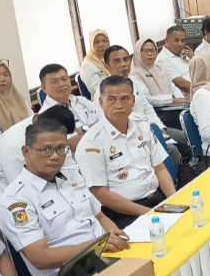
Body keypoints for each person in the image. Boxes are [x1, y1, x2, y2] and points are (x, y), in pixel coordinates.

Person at [0, 120, 129, 276]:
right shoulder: (16, 200)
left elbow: (100, 217)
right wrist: (96, 246)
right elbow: (39, 258)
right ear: (26, 152)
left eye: (61, 148)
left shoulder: (71, 176)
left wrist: (115, 237)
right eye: (46, 150)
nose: (55, 156)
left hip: (107, 257)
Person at [75, 76, 176, 228]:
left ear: (133, 100)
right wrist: (149, 214)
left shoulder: (142, 126)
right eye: (111, 99)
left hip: (158, 200)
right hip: (123, 213)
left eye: (125, 98)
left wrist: (174, 202)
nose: (119, 105)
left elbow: (160, 169)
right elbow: (100, 194)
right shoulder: (91, 143)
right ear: (101, 102)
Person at [105, 45, 192, 169]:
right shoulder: (105, 92)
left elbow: (147, 107)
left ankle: (191, 172)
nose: (123, 64)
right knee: (171, 150)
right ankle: (175, 179)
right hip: (134, 137)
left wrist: (160, 127)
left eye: (126, 59)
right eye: (117, 61)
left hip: (151, 127)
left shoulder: (133, 81)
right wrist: (150, 131)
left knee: (187, 137)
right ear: (107, 66)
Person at [0, 105, 83, 188]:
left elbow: (69, 166)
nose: (55, 156)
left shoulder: (51, 128)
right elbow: (22, 185)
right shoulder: (13, 144)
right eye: (46, 149)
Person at [132, 38, 189, 129]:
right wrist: (173, 100)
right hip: (156, 112)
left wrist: (182, 101)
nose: (150, 54)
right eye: (145, 51)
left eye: (152, 50)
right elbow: (148, 99)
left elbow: (172, 87)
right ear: (138, 52)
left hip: (172, 108)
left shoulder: (159, 68)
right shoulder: (135, 74)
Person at [39, 63, 99, 131]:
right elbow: (70, 138)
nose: (62, 84)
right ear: (44, 88)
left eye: (64, 79)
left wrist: (81, 131)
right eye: (54, 82)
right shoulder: (45, 117)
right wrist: (95, 127)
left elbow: (105, 121)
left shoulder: (82, 101)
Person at [157, 25, 193, 94]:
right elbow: (182, 84)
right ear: (166, 41)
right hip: (189, 96)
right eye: (176, 40)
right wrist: (204, 89)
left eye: (183, 40)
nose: (180, 44)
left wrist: (194, 59)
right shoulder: (162, 60)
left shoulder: (184, 54)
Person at [79, 29, 110, 99]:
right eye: (96, 42)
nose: (101, 45)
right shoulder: (87, 65)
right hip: (103, 100)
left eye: (105, 41)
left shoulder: (109, 57)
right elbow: (98, 91)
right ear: (91, 44)